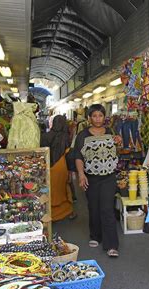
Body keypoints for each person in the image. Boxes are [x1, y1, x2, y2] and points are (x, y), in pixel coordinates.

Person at [74, 104, 122, 257]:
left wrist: (119, 143)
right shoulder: (82, 135)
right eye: (94, 116)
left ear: (104, 117)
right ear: (89, 118)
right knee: (93, 207)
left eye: (100, 115)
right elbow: (78, 157)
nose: (97, 119)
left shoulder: (110, 132)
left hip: (109, 176)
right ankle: (95, 235)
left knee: (107, 208)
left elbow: (117, 152)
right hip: (91, 177)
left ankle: (112, 244)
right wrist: (81, 175)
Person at [41, 115, 74, 221]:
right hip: (61, 166)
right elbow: (68, 153)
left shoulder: (45, 136)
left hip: (47, 166)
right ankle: (66, 212)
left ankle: (48, 213)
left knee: (49, 189)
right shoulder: (66, 136)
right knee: (62, 189)